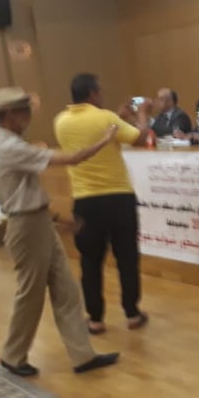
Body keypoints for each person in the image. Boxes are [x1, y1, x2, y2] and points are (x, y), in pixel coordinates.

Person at [0, 87, 119, 377]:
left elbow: (28, 194)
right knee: (31, 294)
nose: (29, 117)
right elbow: (72, 158)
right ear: (11, 115)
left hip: (36, 223)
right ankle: (12, 355)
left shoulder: (11, 145)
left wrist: (58, 220)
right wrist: (105, 139)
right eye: (25, 112)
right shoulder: (9, 148)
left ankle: (82, 356)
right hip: (27, 228)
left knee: (66, 290)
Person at [54, 73, 151, 335]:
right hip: (118, 198)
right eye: (100, 92)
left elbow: (94, 133)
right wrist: (142, 114)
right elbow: (140, 139)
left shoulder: (60, 122)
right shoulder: (107, 118)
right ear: (93, 94)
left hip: (85, 201)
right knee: (127, 259)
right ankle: (132, 314)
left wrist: (118, 116)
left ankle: (96, 319)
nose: (103, 96)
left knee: (90, 262)